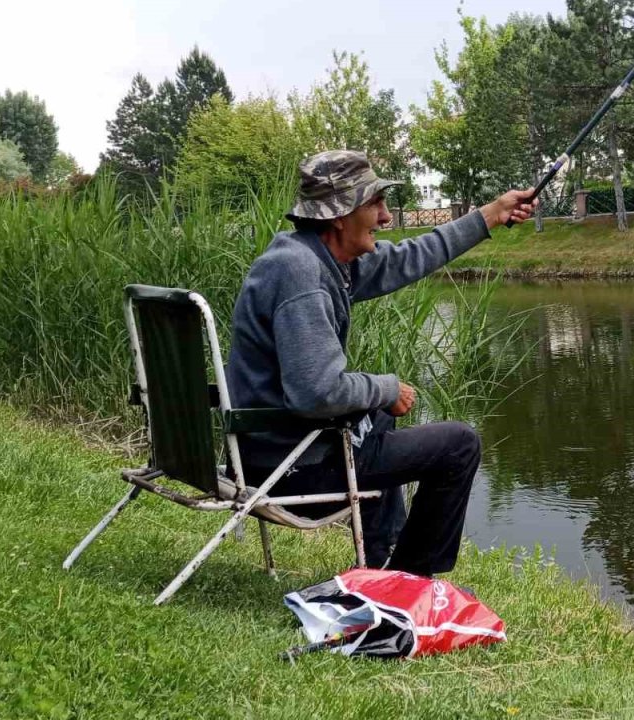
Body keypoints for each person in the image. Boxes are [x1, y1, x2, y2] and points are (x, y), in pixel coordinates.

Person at [225, 149, 535, 577]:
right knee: (459, 445)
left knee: (376, 418)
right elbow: (317, 392)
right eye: (375, 204)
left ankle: (381, 558)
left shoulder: (311, 257)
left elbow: (413, 255)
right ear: (339, 215)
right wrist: (386, 387)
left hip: (267, 453)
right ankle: (409, 577)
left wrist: (491, 215)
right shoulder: (304, 279)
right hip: (289, 471)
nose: (386, 217)